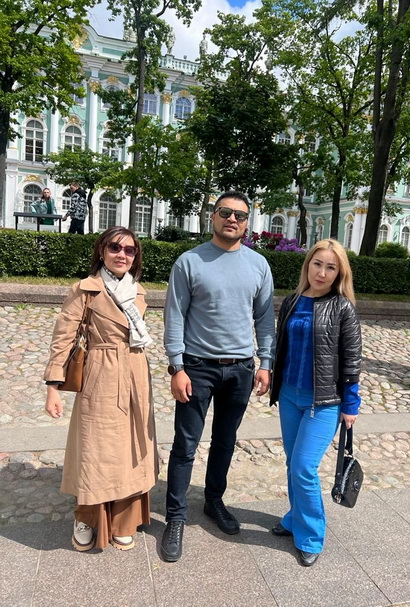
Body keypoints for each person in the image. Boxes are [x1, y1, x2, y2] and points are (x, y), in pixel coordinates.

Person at [161, 191, 275, 562]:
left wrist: (266, 362)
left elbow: (264, 318)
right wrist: (177, 366)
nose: (232, 219)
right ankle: (176, 517)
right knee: (185, 444)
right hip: (197, 367)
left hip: (241, 369)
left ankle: (213, 501)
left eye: (240, 215)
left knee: (225, 441)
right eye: (226, 212)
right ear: (213, 216)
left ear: (247, 223)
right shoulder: (189, 261)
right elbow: (175, 315)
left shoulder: (258, 265)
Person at [44, 226, 158, 552]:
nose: (122, 254)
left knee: (131, 448)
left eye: (129, 250)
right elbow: (63, 338)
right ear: (102, 251)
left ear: (136, 257)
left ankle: (124, 521)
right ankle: (86, 518)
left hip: (136, 374)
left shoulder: (138, 292)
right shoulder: (86, 289)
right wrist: (53, 387)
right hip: (100, 374)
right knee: (95, 449)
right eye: (115, 248)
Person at [269, 238, 362, 567]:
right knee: (292, 462)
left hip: (324, 401)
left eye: (330, 267)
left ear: (339, 273)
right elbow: (281, 347)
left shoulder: (343, 308)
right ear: (307, 265)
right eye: (317, 264)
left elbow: (351, 360)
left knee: (304, 468)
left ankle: (310, 536)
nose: (321, 273)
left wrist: (351, 405)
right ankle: (295, 518)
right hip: (290, 396)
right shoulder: (293, 301)